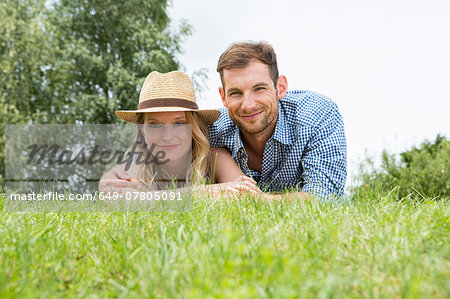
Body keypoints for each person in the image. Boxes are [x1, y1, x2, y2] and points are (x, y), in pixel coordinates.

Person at [209, 41, 347, 200]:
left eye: (259, 89)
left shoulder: (317, 115)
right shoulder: (211, 129)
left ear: (280, 87)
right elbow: (174, 194)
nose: (247, 105)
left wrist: (255, 200)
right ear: (223, 96)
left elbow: (325, 197)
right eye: (236, 93)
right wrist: (207, 192)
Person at [100, 70, 260, 195]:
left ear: (193, 128)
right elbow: (122, 198)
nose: (168, 137)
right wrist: (207, 193)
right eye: (155, 125)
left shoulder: (213, 158)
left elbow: (247, 196)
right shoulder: (138, 161)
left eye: (179, 123)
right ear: (142, 131)